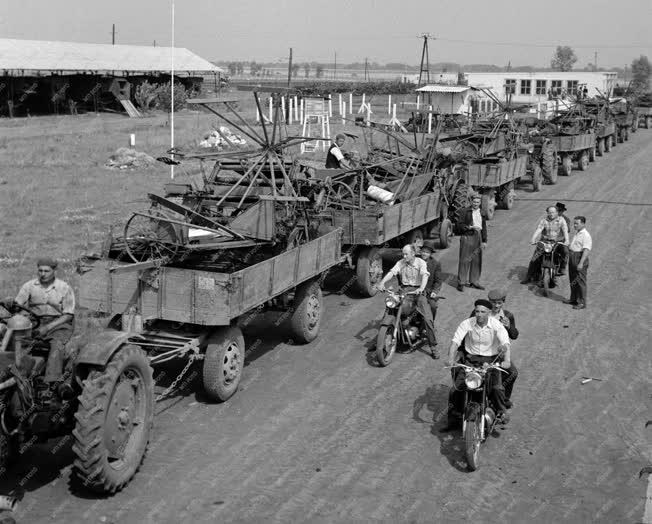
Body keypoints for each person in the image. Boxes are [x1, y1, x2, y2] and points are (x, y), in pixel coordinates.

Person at [447, 299, 512, 425]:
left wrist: (507, 360)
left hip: (491, 361)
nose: (479, 314)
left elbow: (505, 343)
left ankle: (501, 411)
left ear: (489, 312)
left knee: (497, 388)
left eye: (483, 312)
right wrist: (450, 358)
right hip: (470, 361)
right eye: (477, 311)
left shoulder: (496, 325)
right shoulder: (467, 323)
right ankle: (453, 419)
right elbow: (455, 341)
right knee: (455, 390)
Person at [12, 258, 75, 384]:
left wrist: (48, 327)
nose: (43, 274)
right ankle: (17, 373)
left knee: (57, 345)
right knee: (12, 338)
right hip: (35, 322)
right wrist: (14, 307)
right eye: (40, 270)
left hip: (59, 324)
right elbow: (17, 305)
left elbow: (68, 315)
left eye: (46, 271)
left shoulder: (64, 288)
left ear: (54, 271)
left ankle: (51, 382)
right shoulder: (29, 286)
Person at [377, 244, 439, 358]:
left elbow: (425, 275)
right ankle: (379, 340)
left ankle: (433, 346)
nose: (404, 256)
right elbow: (391, 272)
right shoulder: (401, 262)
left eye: (406, 254)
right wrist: (382, 282)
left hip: (417, 292)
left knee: (427, 318)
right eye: (403, 254)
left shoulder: (421, 262)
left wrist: (421, 288)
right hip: (404, 290)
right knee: (390, 307)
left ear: (413, 254)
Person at [487, 289, 519, 408]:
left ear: (503, 302)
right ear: (489, 301)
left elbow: (514, 335)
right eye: (493, 302)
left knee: (512, 373)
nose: (496, 305)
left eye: (499, 303)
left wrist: (509, 326)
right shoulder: (481, 312)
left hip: (499, 355)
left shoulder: (508, 315)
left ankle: (503, 399)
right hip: (480, 352)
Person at [521, 205, 569, 285]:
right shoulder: (544, 220)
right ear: (547, 213)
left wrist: (567, 240)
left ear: (557, 213)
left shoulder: (561, 220)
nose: (551, 214)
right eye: (549, 212)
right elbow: (539, 229)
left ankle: (562, 268)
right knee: (534, 259)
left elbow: (565, 230)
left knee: (565, 251)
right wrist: (533, 238)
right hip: (544, 242)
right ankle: (528, 277)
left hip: (556, 242)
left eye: (553, 212)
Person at [456, 193, 487, 292]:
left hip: (478, 237)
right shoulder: (465, 211)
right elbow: (459, 225)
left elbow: (484, 227)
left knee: (476, 260)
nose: (476, 204)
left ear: (480, 203)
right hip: (467, 236)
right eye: (474, 202)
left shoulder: (482, 212)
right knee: (465, 260)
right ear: (471, 202)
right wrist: (469, 227)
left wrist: (485, 241)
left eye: (478, 202)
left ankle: (474, 281)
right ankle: (461, 282)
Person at [564, 216, 592, 310]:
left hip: (579, 258)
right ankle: (574, 299)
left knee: (580, 281)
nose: (574, 225)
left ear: (583, 224)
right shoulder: (578, 233)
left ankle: (581, 303)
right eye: (574, 223)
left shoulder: (586, 235)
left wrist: (581, 263)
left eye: (577, 223)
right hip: (573, 257)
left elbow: (586, 250)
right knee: (573, 280)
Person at [419, 243, 443, 321]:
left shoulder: (435, 264)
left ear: (430, 254)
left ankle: (430, 324)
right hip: (413, 289)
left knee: (433, 306)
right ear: (420, 252)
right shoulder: (415, 260)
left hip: (427, 291)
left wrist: (434, 291)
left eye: (427, 252)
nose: (424, 254)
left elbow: (438, 281)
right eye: (423, 251)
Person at [555, 202, 571, 275]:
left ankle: (562, 268)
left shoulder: (566, 219)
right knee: (537, 253)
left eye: (560, 211)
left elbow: (568, 230)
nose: (558, 212)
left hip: (561, 240)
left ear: (563, 211)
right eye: (557, 210)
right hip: (549, 241)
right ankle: (530, 274)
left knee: (565, 252)